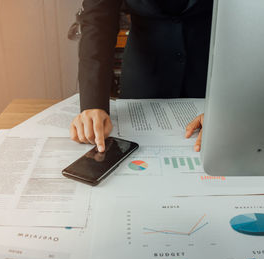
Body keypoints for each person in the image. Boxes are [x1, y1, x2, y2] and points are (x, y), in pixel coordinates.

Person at [70, 0, 212, 152]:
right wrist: (93, 104)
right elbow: (97, 22)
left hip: (213, 79)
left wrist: (231, 109)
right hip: (143, 79)